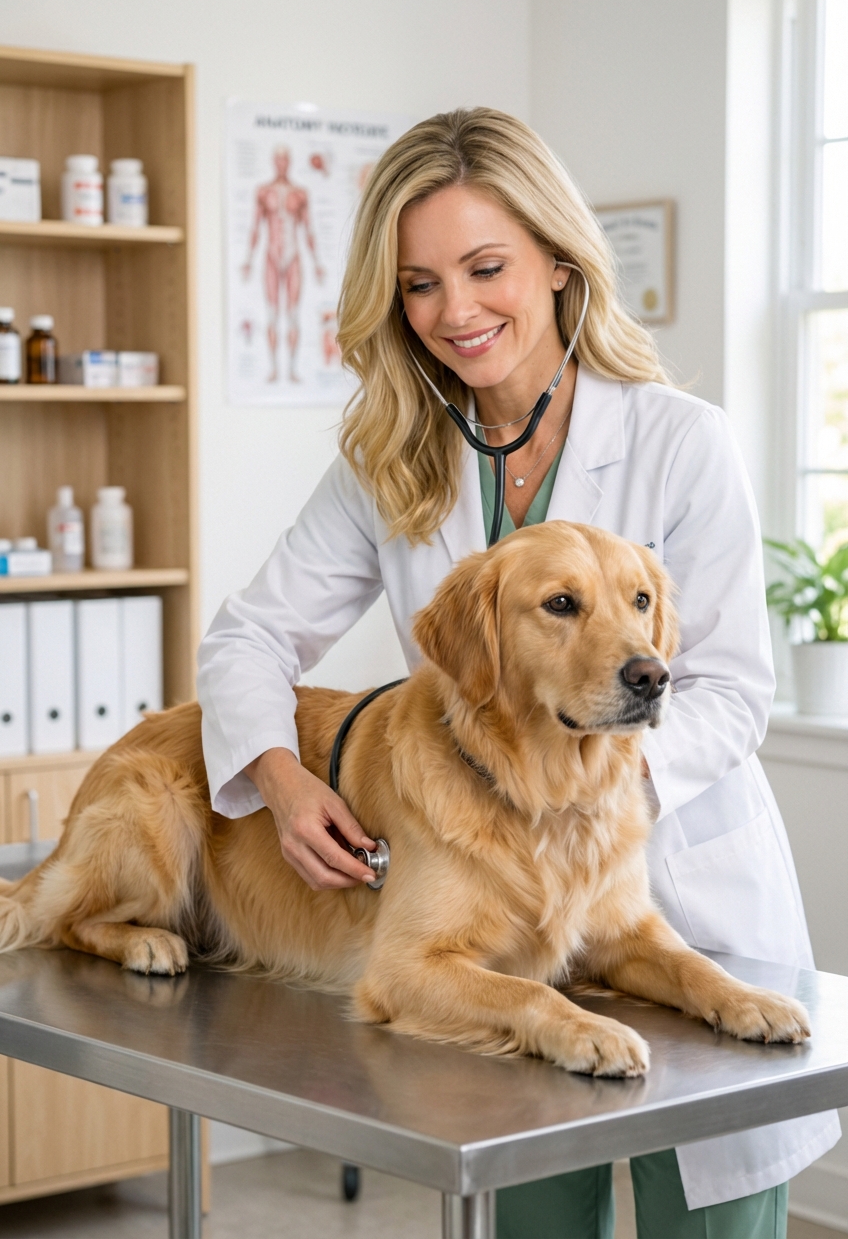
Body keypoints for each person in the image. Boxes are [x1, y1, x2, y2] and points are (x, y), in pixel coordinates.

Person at [198, 108, 839, 1237]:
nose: (455, 311)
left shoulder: (679, 440)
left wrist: (590, 813)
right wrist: (284, 782)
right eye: (419, 284)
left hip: (678, 889)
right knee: (542, 1211)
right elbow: (247, 638)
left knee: (713, 1217)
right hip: (506, 954)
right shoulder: (391, 460)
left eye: (485, 267)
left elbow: (731, 687)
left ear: (554, 259)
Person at [242, 145, 324, 383]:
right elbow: (255, 227)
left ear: (289, 161)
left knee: (293, 314)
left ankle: (292, 369)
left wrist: (317, 262)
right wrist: (248, 259)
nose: (281, 164)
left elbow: (309, 229)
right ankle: (274, 369)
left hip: (293, 257)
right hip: (270, 256)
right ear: (273, 161)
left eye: (285, 159)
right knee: (271, 314)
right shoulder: (263, 191)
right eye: (277, 159)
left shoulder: (300, 193)